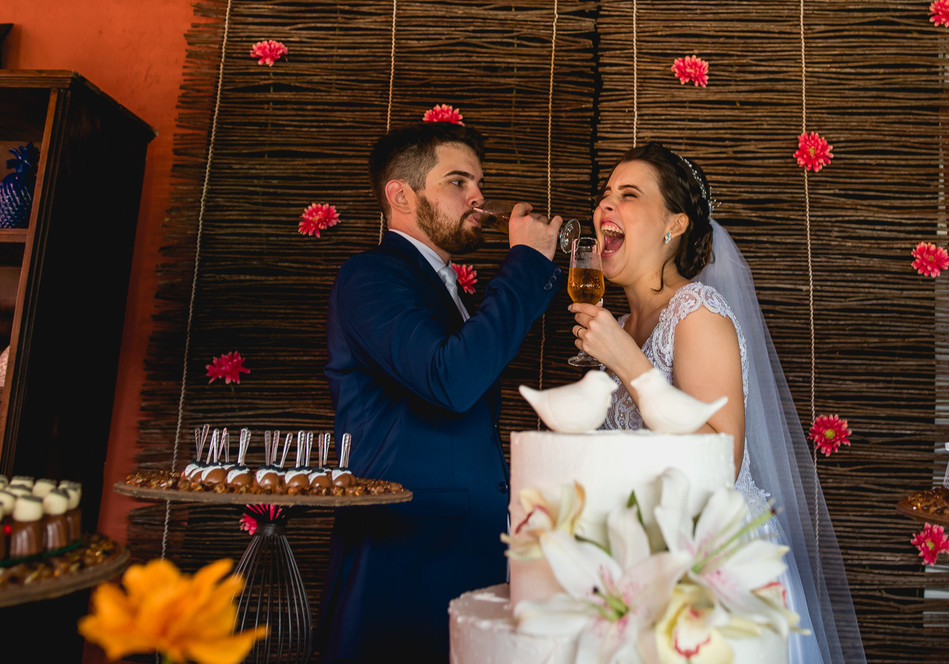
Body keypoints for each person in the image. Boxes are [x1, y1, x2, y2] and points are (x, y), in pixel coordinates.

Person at [569, 142, 866, 664]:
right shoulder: (621, 326)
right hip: (644, 561)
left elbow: (721, 462)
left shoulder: (697, 313)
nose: (605, 205)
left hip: (715, 565)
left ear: (674, 224)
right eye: (605, 193)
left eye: (629, 194)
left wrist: (629, 365)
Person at [316, 121, 564, 663]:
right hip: (405, 557)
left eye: (479, 183)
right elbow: (451, 380)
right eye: (458, 182)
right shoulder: (371, 276)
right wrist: (526, 262)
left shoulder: (443, 287)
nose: (478, 197)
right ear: (401, 195)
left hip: (461, 549)